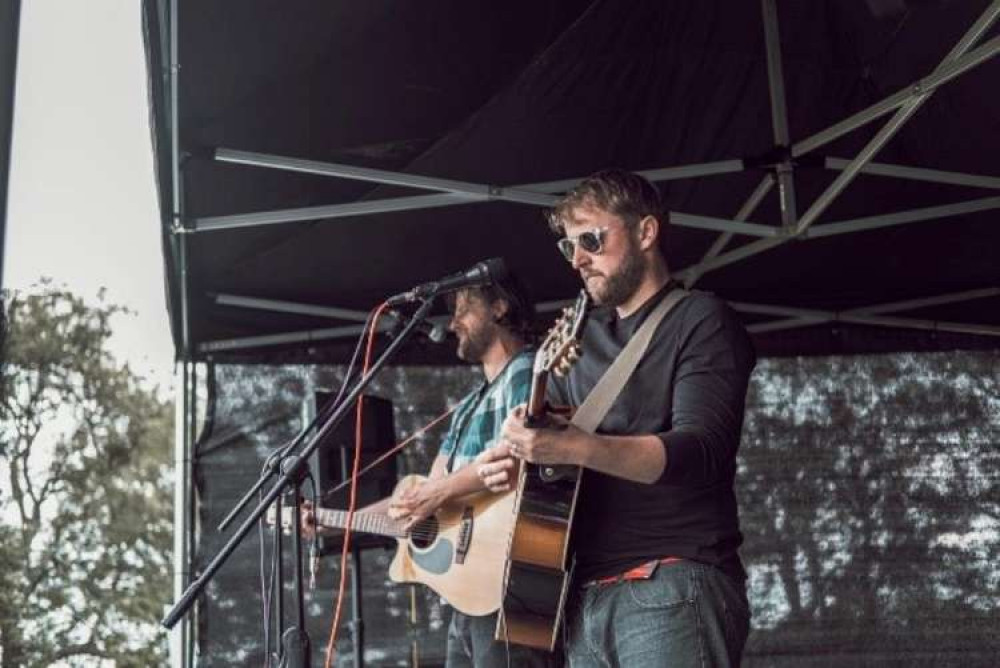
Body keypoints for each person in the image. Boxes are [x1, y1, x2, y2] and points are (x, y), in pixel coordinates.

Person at [477, 169, 756, 667]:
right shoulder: (579, 342)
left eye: (591, 239)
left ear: (646, 233)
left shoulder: (699, 319)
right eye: (569, 247)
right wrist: (515, 448)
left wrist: (573, 447)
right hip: (583, 597)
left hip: (668, 580)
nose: (579, 259)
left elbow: (701, 452)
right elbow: (551, 462)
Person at [304, 269, 557, 668]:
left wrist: (437, 493)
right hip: (469, 597)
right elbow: (419, 500)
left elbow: (519, 457)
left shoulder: (527, 370)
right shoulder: (471, 403)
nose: (453, 323)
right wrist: (330, 520)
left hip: (512, 583)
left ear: (500, 307)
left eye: (463, 309)